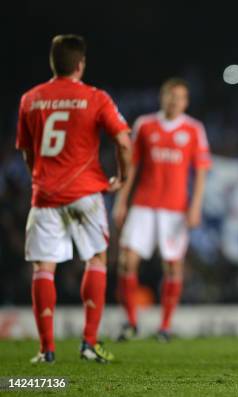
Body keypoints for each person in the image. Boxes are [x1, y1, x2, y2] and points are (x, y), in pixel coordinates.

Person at [16, 34, 131, 363]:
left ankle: (46, 349)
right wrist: (121, 177)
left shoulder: (30, 99)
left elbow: (27, 152)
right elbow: (123, 142)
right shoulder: (95, 97)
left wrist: (39, 178)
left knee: (43, 268)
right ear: (80, 64)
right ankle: (88, 344)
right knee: (95, 260)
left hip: (45, 196)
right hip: (86, 194)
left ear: (53, 63)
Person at [113, 78, 211, 342]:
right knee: (126, 262)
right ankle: (131, 322)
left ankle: (165, 327)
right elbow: (131, 166)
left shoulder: (193, 129)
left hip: (175, 209)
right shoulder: (145, 124)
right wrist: (122, 201)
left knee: (173, 266)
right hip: (144, 204)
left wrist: (195, 205)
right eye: (170, 95)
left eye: (179, 97)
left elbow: (201, 171)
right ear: (162, 97)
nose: (174, 101)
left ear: (186, 102)